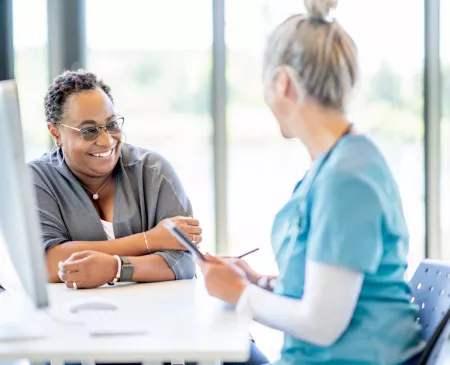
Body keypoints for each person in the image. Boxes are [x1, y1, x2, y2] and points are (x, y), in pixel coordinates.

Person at [198, 0, 425, 364]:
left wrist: (241, 294)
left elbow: (322, 324)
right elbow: (331, 288)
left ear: (283, 83)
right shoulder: (338, 164)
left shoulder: (346, 179)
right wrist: (259, 283)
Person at [31, 70, 268, 365]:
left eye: (112, 125)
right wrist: (151, 240)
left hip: (168, 320)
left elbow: (182, 261)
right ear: (56, 132)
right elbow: (49, 262)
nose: (106, 140)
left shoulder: (152, 170)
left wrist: (116, 268)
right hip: (80, 330)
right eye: (89, 130)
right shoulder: (38, 179)